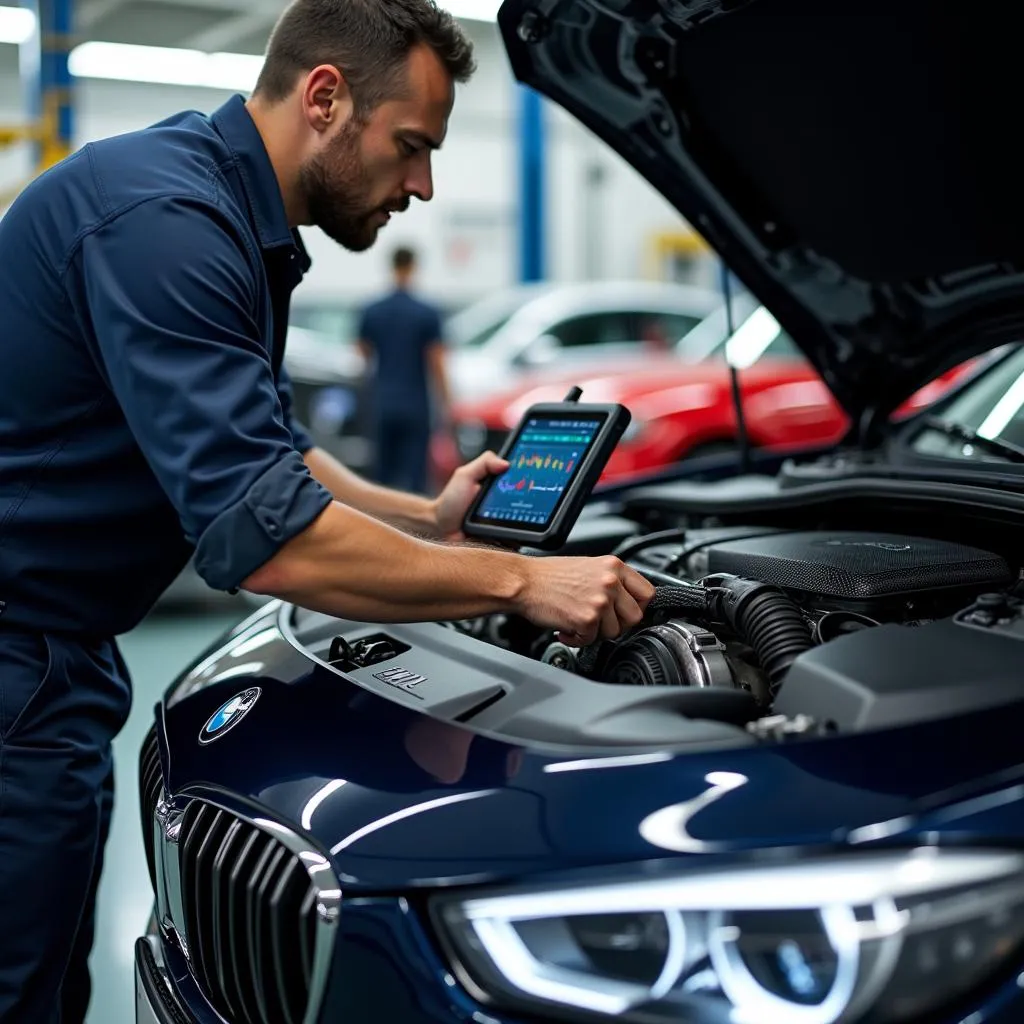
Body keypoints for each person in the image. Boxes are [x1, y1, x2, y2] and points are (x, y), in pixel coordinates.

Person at [0, 0, 654, 1020]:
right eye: (411, 147)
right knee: (20, 981)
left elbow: (270, 449)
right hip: (15, 655)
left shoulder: (214, 205)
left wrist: (427, 518)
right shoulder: (165, 222)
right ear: (324, 98)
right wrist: (527, 578)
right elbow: (269, 536)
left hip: (51, 648)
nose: (424, 185)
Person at [358, 245, 450, 494]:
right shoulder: (427, 313)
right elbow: (437, 363)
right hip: (415, 405)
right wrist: (447, 406)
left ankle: (380, 529)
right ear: (413, 266)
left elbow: (362, 356)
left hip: (382, 402)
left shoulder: (372, 310)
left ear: (392, 266)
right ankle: (414, 531)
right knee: (416, 479)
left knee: (381, 479)